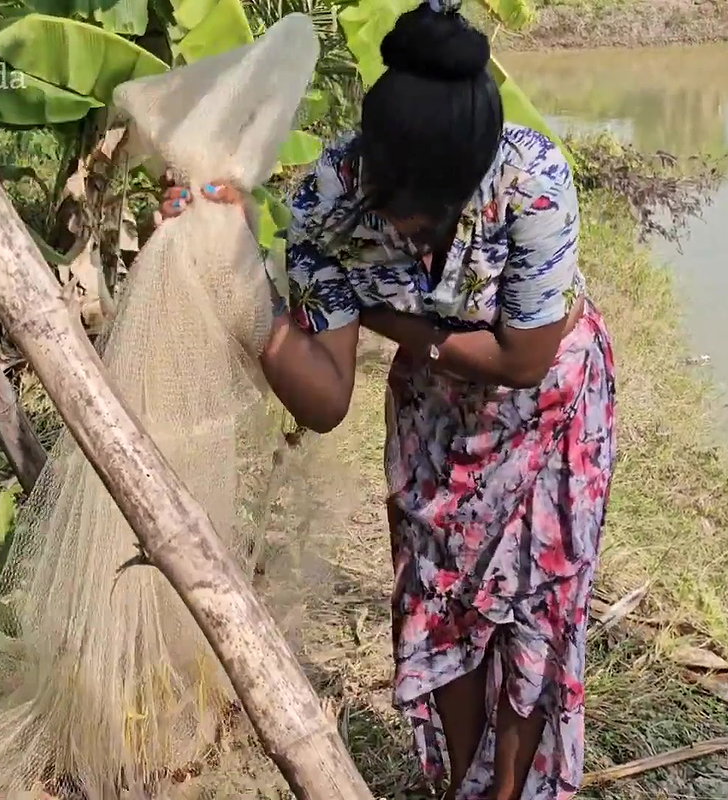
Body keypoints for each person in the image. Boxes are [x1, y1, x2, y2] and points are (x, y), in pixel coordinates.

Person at [157, 2, 616, 797]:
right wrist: (237, 279)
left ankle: (508, 788)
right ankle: (462, 787)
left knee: (534, 609)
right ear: (368, 161)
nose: (413, 230)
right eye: (396, 204)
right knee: (444, 604)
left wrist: (397, 323)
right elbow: (326, 399)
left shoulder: (534, 178)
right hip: (435, 424)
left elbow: (523, 356)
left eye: (436, 214)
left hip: (550, 415)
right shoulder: (329, 204)